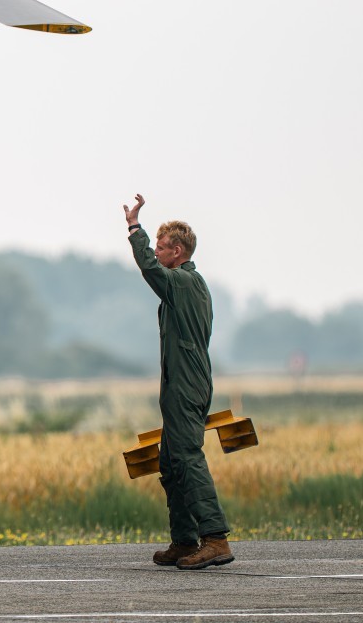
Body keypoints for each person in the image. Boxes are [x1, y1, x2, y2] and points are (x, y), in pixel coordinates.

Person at [124, 193, 234, 570]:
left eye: (160, 245)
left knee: (187, 458)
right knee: (170, 464)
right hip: (182, 384)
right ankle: (185, 541)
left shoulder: (185, 283)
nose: (156, 251)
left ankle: (215, 539)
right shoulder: (188, 284)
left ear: (177, 250)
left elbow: (151, 270)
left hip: (186, 386)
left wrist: (134, 229)